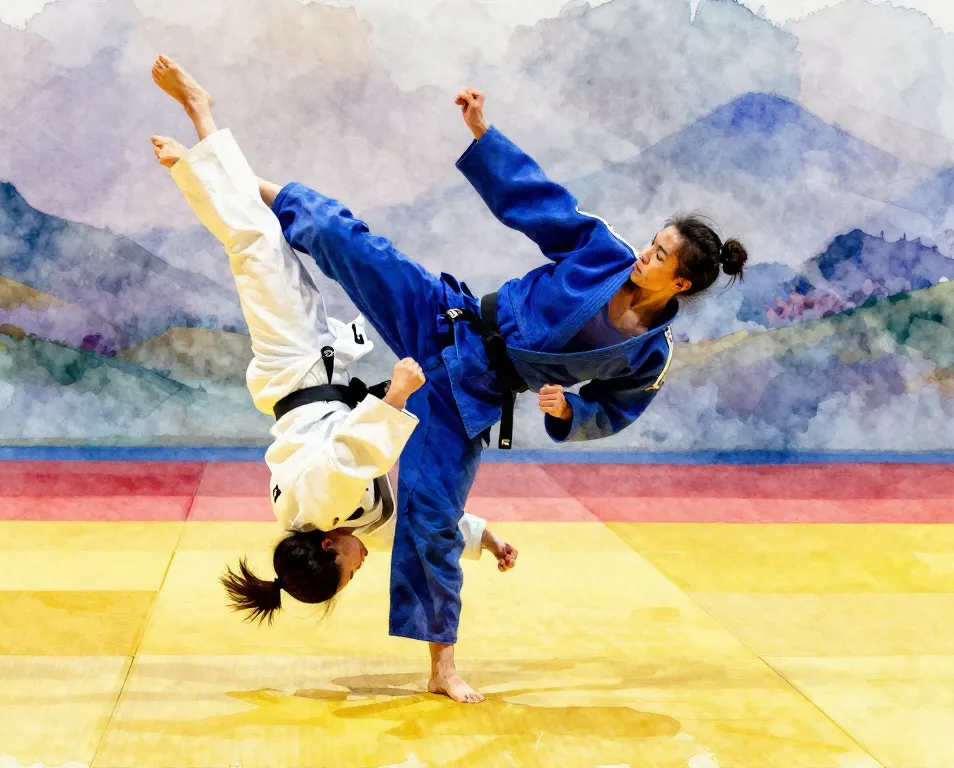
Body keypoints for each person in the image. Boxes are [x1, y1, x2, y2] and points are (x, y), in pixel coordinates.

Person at [265, 83, 751, 700]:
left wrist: (570, 408)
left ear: (679, 283)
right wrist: (482, 134)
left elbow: (614, 410)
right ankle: (250, 189)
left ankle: (441, 666)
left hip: (472, 394)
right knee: (351, 243)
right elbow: (542, 203)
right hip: (451, 320)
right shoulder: (604, 252)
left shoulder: (649, 351)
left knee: (432, 520)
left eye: (659, 257)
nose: (644, 255)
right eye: (653, 243)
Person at [148, 56, 517, 704]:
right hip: (319, 364)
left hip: (291, 361)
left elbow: (351, 455)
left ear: (327, 546)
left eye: (346, 573)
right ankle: (197, 163)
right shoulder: (353, 518)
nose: (360, 567)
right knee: (259, 240)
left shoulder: (318, 504)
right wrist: (484, 538)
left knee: (254, 245)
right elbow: (421, 522)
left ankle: (200, 113)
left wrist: (397, 396)